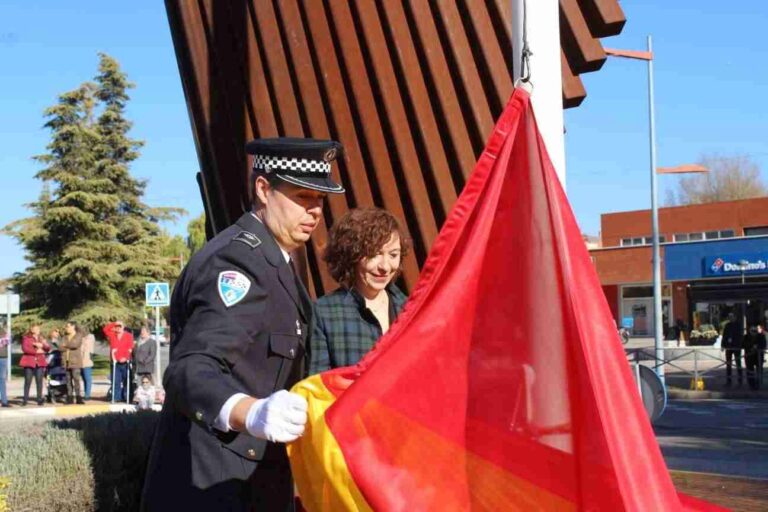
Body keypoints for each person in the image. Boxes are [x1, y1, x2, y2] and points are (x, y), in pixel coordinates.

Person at [142, 137, 346, 511]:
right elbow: (191, 369)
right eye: (302, 196)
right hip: (211, 488)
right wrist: (249, 411)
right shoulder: (238, 263)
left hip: (253, 482)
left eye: (319, 200)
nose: (315, 211)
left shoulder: (277, 261)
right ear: (263, 189)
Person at [310, 208, 409, 374]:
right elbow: (319, 388)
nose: (385, 266)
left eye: (393, 255)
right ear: (352, 255)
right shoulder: (324, 313)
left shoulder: (411, 310)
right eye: (374, 254)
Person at [20, 324, 51, 406]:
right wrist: (36, 351)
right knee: (28, 381)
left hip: (40, 362)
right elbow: (25, 348)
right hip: (29, 362)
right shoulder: (26, 338)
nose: (38, 330)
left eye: (39, 329)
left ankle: (39, 399)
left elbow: (48, 348)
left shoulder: (41, 338)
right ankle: (25, 399)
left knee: (39, 381)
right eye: (36, 329)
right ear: (32, 330)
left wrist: (42, 345)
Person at [103, 320, 134, 402]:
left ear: (123, 327)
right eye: (117, 327)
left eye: (120, 327)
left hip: (125, 361)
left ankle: (126, 396)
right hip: (115, 362)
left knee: (126, 380)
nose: (118, 328)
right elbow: (105, 329)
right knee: (116, 380)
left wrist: (126, 357)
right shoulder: (112, 335)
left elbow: (130, 348)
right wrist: (115, 323)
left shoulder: (128, 335)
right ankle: (116, 397)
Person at [60, 321, 84, 404]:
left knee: (76, 380)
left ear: (73, 327)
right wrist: (65, 346)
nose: (66, 328)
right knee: (68, 381)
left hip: (75, 362)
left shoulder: (78, 335)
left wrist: (65, 345)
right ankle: (69, 398)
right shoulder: (64, 337)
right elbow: (60, 347)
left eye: (68, 326)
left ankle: (78, 398)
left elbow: (75, 345)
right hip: (66, 362)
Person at [721, 312, 744, 386]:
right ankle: (729, 381)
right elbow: (724, 335)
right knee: (728, 364)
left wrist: (737, 344)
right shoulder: (727, 325)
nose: (730, 318)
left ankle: (740, 381)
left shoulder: (738, 325)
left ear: (735, 317)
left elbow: (740, 336)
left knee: (738, 363)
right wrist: (723, 345)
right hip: (728, 347)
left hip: (736, 346)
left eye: (731, 316)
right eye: (729, 317)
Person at [744, 324, 767, 390]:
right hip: (749, 356)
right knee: (749, 370)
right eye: (752, 331)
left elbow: (764, 345)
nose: (753, 332)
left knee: (759, 370)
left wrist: (757, 347)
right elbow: (743, 344)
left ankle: (758, 383)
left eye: (755, 331)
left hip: (758, 356)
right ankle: (751, 384)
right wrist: (751, 346)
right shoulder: (746, 337)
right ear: (749, 331)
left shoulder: (761, 336)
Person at [80, 333, 95, 401]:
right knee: (84, 379)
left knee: (88, 379)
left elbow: (87, 347)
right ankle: (86, 393)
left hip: (87, 362)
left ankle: (87, 395)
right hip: (80, 362)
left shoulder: (90, 337)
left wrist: (83, 339)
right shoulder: (80, 337)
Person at [0, 330, 9, 407]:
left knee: (2, 379)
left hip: (3, 358)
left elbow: (6, 342)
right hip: (3, 357)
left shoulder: (3, 332)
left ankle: (4, 401)